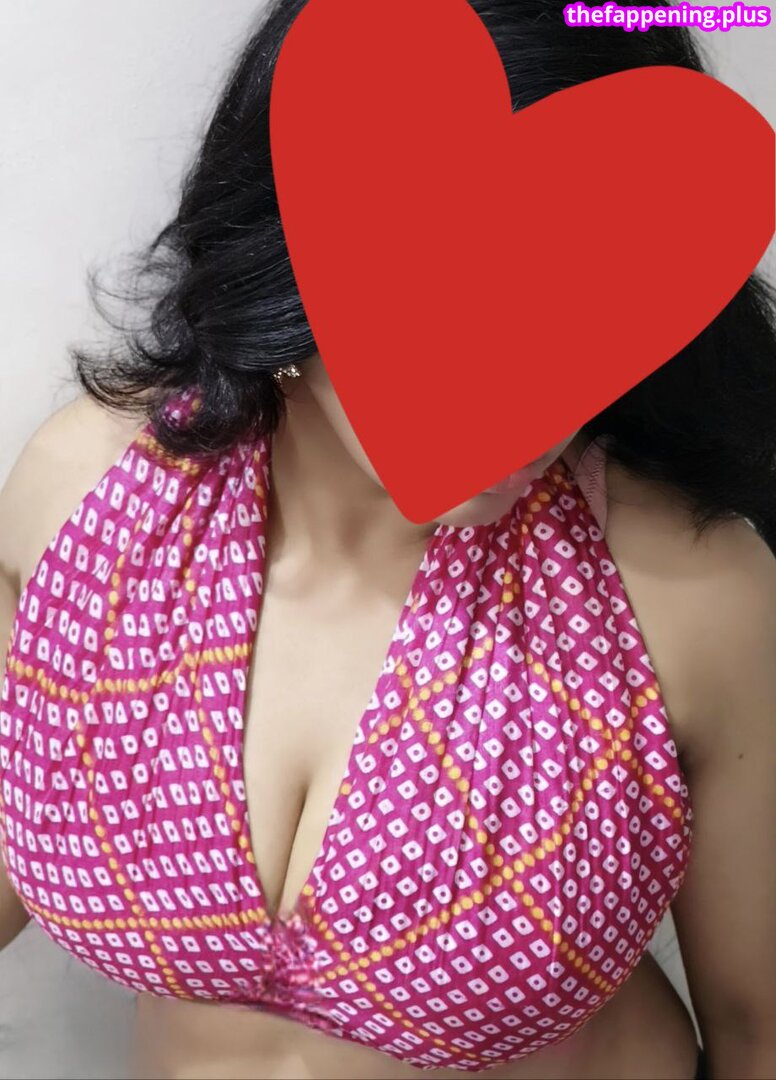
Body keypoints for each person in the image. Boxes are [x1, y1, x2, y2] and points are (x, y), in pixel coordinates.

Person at [1, 2, 775, 1077]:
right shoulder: (85, 502)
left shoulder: (693, 599)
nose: (533, 405)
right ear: (298, 252)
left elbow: (757, 1025)